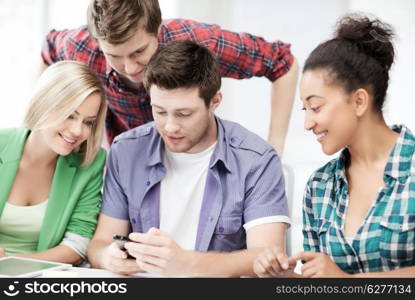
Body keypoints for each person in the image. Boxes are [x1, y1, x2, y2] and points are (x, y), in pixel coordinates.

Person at [87, 40, 291, 277]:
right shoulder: (126, 151)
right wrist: (107, 257)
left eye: (184, 114)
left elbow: (268, 256)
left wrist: (188, 264)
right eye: (160, 112)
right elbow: (99, 243)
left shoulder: (256, 159)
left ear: (214, 101)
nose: (170, 127)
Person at [254, 14, 415, 278]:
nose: (307, 123)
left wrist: (347, 283)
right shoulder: (319, 187)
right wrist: (283, 277)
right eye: (305, 109)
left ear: (359, 101)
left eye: (315, 107)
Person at [40, 0, 298, 155]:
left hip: (194, 157)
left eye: (139, 51)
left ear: (156, 29)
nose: (130, 68)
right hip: (126, 160)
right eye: (115, 56)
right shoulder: (80, 46)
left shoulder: (198, 42)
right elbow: (47, 50)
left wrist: (275, 145)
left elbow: (281, 61)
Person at [0, 61, 107, 265]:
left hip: (41, 278)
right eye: (69, 116)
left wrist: (11, 262)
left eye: (88, 122)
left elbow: (77, 245)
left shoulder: (90, 163)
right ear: (43, 104)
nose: (77, 131)